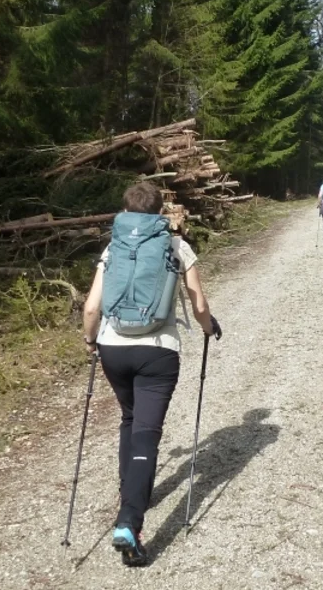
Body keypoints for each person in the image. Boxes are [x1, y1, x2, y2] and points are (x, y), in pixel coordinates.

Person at [82, 181, 222, 566]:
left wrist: (90, 341)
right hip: (157, 352)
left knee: (129, 418)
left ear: (125, 211)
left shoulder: (114, 247)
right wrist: (210, 328)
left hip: (113, 347)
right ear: (162, 211)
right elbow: (199, 303)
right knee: (146, 431)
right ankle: (129, 520)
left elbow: (92, 308)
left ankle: (132, 490)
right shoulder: (176, 246)